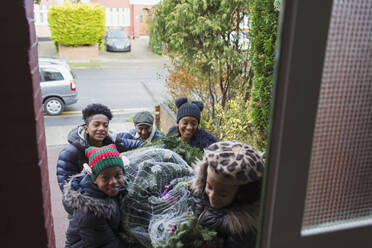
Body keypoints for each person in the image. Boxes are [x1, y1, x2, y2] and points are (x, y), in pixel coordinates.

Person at [191, 141, 264, 248]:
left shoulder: (242, 232)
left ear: (241, 195)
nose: (212, 196)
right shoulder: (201, 193)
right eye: (209, 187)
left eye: (223, 194)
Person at [63, 144, 128, 248]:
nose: (113, 182)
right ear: (94, 179)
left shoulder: (108, 192)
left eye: (117, 175)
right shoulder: (91, 212)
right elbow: (105, 244)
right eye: (105, 178)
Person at [56, 103, 118, 191]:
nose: (101, 128)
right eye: (96, 125)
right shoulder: (70, 153)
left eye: (105, 125)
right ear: (86, 129)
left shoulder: (110, 144)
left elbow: (128, 143)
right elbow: (66, 188)